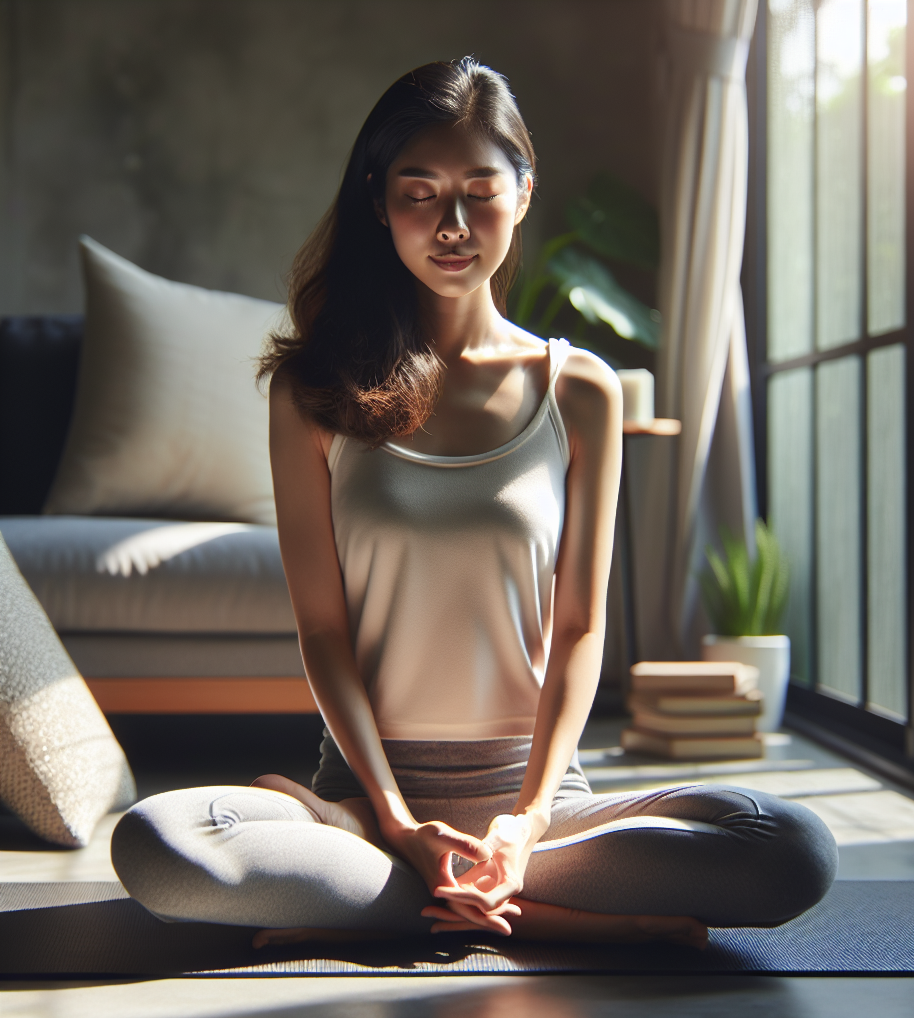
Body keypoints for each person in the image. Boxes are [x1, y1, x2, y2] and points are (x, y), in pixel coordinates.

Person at [112, 58, 836, 949]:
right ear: (380, 206)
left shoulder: (580, 391)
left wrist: (527, 826)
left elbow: (578, 628)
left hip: (534, 813)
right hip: (372, 802)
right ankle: (545, 922)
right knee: (159, 846)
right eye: (420, 193)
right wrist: (399, 820)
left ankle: (429, 897)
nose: (452, 225)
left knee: (793, 847)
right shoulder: (314, 389)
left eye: (479, 191)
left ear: (523, 194)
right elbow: (323, 633)